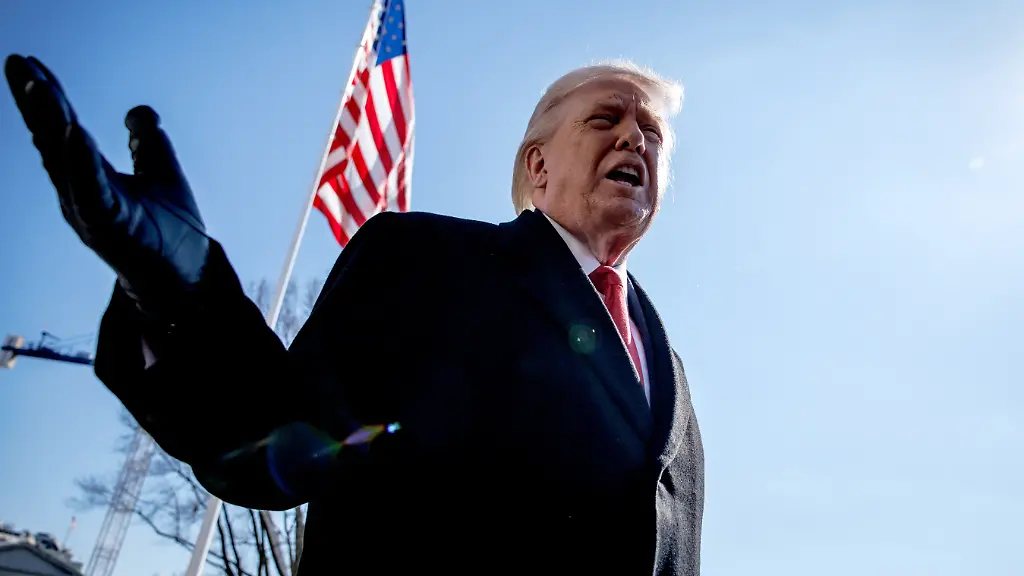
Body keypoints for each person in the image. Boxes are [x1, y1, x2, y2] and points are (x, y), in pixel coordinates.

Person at [5, 53, 704, 575]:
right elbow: (275, 435)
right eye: (605, 119)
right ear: (539, 166)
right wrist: (179, 286)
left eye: (652, 134)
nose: (635, 140)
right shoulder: (424, 260)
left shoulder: (670, 374)